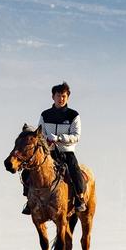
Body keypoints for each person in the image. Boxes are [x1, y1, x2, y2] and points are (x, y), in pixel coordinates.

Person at [23, 81, 85, 214]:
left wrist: (59, 138)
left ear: (68, 97)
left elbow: (76, 136)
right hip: (48, 151)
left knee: (74, 171)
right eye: (58, 96)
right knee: (28, 170)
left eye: (64, 96)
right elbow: (40, 133)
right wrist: (46, 140)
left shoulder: (73, 115)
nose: (61, 99)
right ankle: (29, 200)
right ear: (53, 97)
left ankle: (80, 198)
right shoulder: (45, 114)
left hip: (66, 151)